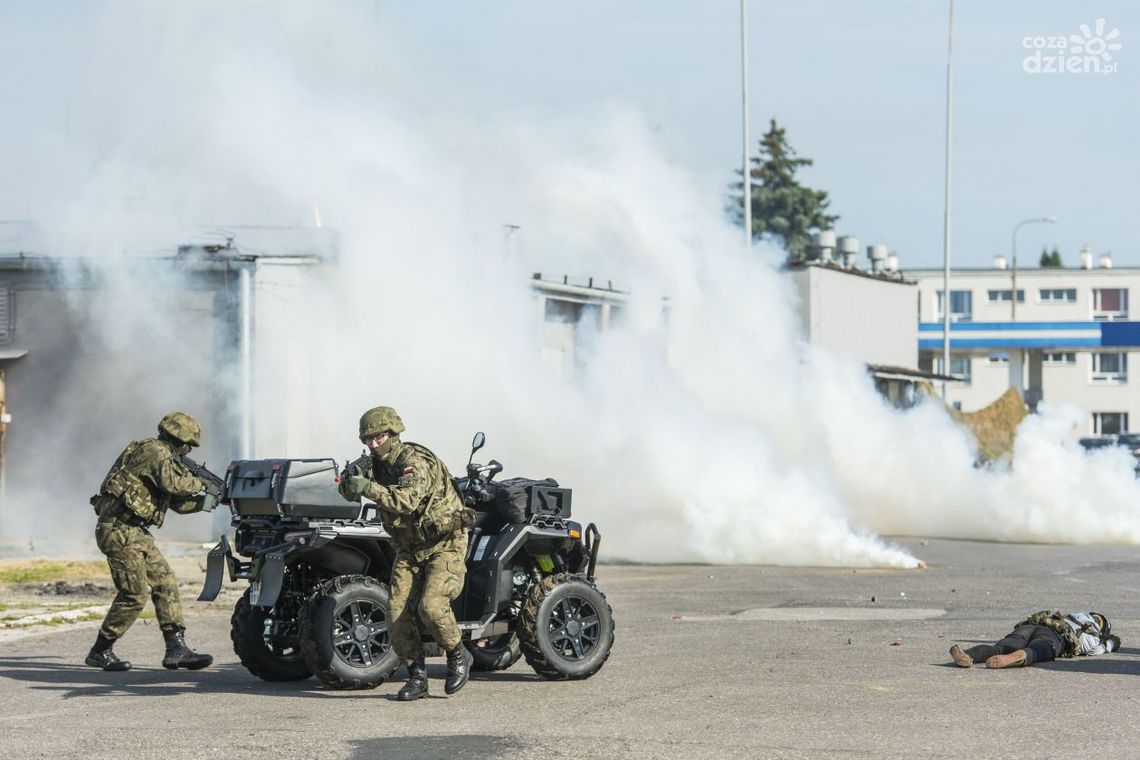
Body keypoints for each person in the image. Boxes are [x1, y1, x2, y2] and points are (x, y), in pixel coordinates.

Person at [339, 406, 475, 700]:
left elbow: (407, 501)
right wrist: (350, 483)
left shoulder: (413, 461)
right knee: (396, 612)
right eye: (368, 439)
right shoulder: (374, 464)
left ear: (393, 433)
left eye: (379, 437)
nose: (373, 444)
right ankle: (417, 678)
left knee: (432, 607)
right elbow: (349, 492)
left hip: (444, 542)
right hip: (409, 546)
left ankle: (457, 654)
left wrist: (368, 488)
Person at [85, 412, 215, 672]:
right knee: (134, 595)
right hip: (119, 530)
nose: (188, 449)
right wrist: (202, 482)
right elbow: (174, 484)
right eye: (188, 444)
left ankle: (176, 648)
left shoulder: (164, 459)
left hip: (136, 532)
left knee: (165, 581)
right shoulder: (154, 451)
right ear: (179, 439)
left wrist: (210, 501)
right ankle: (100, 651)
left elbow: (178, 503)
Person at [949, 610, 1120, 669]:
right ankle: (1019, 657)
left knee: (1000, 647)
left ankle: (966, 654)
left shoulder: (1070, 616)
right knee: (1038, 650)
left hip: (1032, 626)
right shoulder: (1094, 640)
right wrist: (1111, 641)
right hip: (1054, 637)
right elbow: (1109, 645)